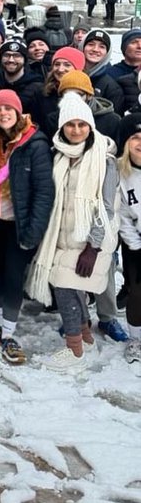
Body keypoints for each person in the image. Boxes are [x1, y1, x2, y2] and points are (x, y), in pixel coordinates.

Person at [28, 92, 119, 373]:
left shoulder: (104, 159)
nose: (77, 130)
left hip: (89, 239)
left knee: (67, 291)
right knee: (70, 290)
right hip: (61, 237)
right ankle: (86, 336)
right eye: (71, 125)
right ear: (62, 128)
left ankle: (74, 350)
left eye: (82, 125)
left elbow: (107, 207)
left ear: (90, 127)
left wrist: (93, 247)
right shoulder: (59, 155)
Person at [0, 90, 54, 365]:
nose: (4, 113)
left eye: (9, 109)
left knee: (12, 277)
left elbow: (44, 191)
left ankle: (8, 331)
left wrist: (34, 229)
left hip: (18, 224)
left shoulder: (35, 144)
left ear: (18, 112)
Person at [117, 111, 141, 362]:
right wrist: (135, 245)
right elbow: (122, 214)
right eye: (135, 137)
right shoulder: (121, 174)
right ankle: (135, 338)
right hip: (135, 243)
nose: (140, 142)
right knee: (137, 293)